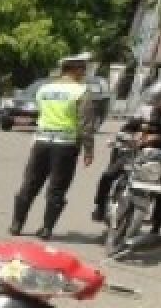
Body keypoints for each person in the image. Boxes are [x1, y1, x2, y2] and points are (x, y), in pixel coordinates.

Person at [9, 52, 97, 239]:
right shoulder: (81, 92)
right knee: (57, 187)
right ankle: (47, 229)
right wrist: (89, 150)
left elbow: (42, 114)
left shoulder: (44, 89)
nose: (84, 72)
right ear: (74, 69)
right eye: (82, 68)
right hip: (65, 146)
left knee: (30, 184)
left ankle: (16, 224)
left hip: (41, 142)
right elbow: (86, 124)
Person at [92, 80, 161, 229]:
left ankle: (156, 225)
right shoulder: (145, 111)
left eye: (159, 100)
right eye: (154, 99)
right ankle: (100, 207)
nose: (155, 104)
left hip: (160, 157)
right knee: (108, 175)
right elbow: (128, 127)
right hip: (137, 153)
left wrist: (158, 138)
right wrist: (124, 136)